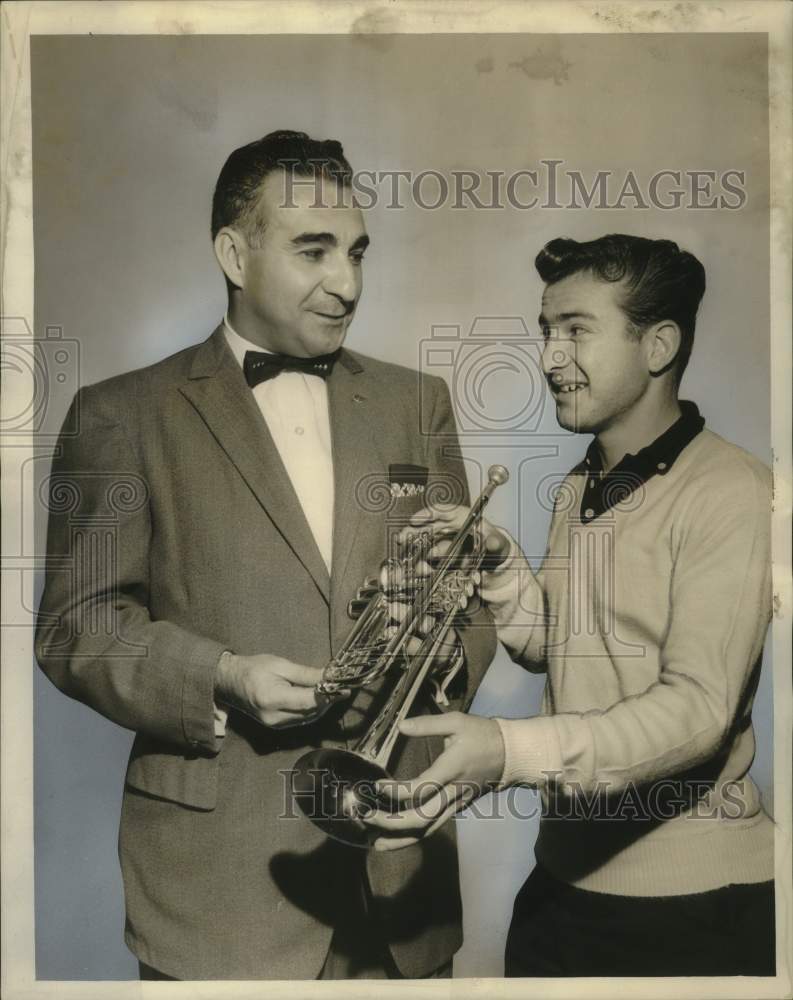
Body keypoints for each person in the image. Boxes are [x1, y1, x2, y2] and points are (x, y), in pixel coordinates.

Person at [35, 130, 495, 981]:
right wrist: (221, 675)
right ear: (233, 253)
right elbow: (75, 627)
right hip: (219, 898)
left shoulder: (417, 402)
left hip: (398, 881)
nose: (347, 283)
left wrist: (426, 670)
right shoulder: (119, 414)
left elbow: (466, 603)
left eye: (356, 251)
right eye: (312, 251)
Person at [364, 234, 776, 977]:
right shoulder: (581, 483)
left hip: (693, 911)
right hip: (559, 892)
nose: (550, 358)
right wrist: (503, 571)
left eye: (576, 331)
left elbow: (697, 713)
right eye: (545, 332)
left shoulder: (734, 491)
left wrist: (506, 751)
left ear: (657, 346)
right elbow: (571, 647)